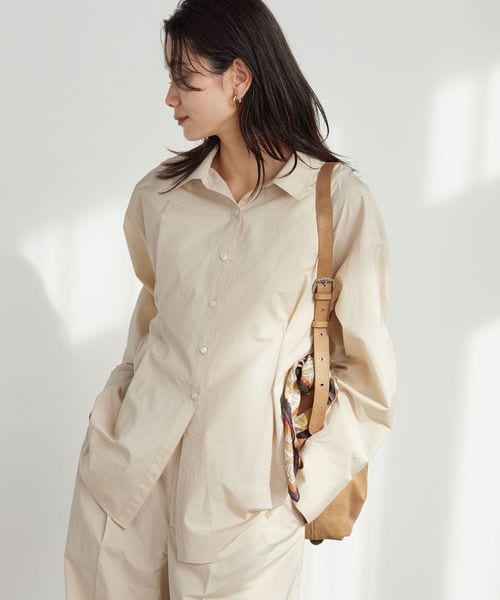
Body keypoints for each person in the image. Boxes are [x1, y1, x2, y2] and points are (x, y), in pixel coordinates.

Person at [63, 0, 398, 598]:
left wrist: (300, 498)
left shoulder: (336, 204)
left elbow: (367, 383)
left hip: (246, 513)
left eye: (185, 80)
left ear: (238, 78)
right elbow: (149, 329)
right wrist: (108, 426)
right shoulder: (159, 197)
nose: (170, 97)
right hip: (125, 487)